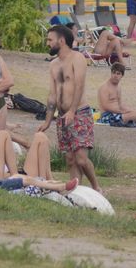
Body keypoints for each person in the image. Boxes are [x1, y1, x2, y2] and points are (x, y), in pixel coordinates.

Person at [39, 25, 102, 193]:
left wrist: (73, 110)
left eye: (50, 40)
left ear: (61, 40)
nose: (47, 43)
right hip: (62, 117)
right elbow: (52, 95)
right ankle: (77, 192)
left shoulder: (77, 58)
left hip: (79, 112)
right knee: (70, 160)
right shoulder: (53, 65)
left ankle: (97, 188)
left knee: (81, 159)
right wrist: (47, 121)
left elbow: (79, 85)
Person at [0, 126, 78, 194]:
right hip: (0, 178)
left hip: (20, 174)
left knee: (41, 137)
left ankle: (49, 179)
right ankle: (17, 175)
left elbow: (3, 139)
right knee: (2, 134)